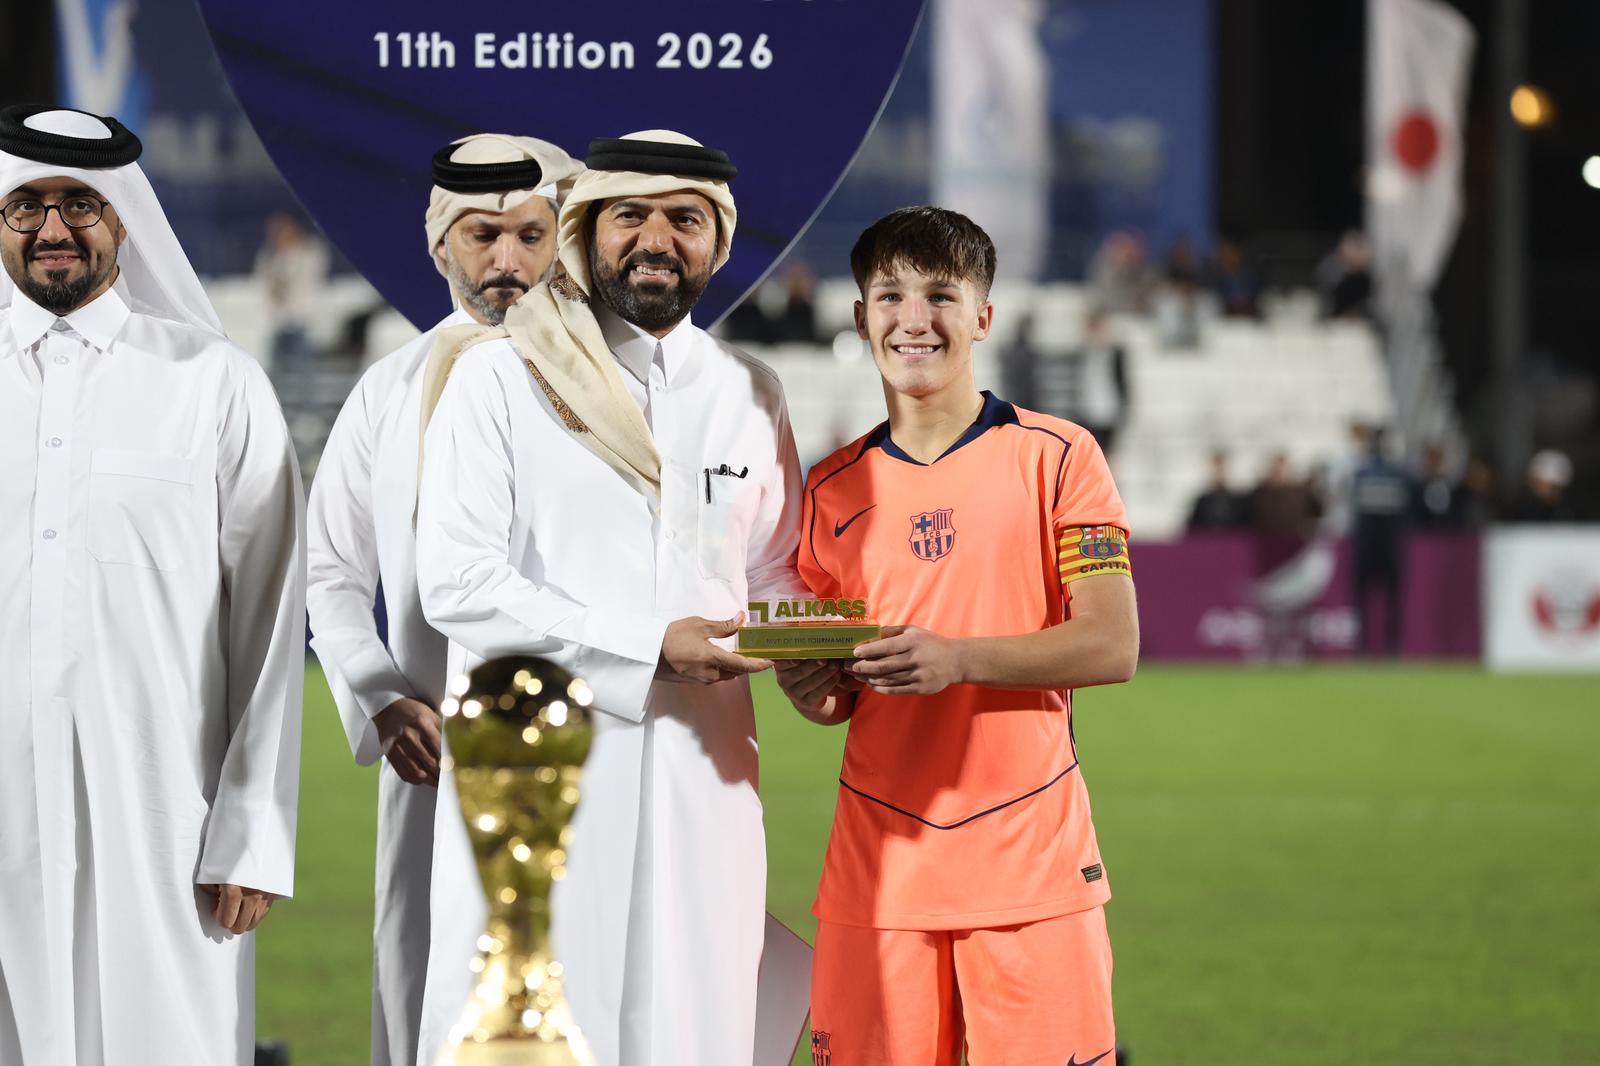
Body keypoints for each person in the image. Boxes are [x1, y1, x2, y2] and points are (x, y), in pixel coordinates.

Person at [414, 130, 807, 1065]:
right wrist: (649, 647)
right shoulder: (502, 376)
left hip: (704, 778)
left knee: (694, 1027)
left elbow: (772, 573)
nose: (655, 240)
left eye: (685, 219)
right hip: (540, 776)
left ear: (719, 242)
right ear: (586, 231)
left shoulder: (750, 391)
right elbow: (458, 582)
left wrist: (816, 659)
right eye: (629, 215)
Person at [777, 206, 1138, 1065]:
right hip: (879, 875)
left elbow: (1111, 644)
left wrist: (957, 658)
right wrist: (812, 688)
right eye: (890, 295)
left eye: (941, 295)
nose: (915, 318)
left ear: (982, 316)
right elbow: (837, 694)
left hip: (1031, 868)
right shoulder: (827, 490)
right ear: (860, 316)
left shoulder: (1059, 455)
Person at [0, 104, 303, 1064]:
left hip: (164, 819)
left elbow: (270, 623)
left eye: (81, 204)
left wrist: (252, 829)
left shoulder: (213, 382)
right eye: (27, 205)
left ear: (123, 217)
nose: (53, 228)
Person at [306, 133, 582, 1066]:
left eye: (531, 236)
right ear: (439, 247)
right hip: (434, 752)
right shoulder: (387, 391)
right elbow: (330, 571)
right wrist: (382, 698)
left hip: (591, 743)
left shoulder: (608, 384)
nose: (508, 259)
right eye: (482, 235)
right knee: (427, 983)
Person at [1349, 428, 1413, 656]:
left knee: (1381, 596)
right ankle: (1379, 643)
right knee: (1370, 596)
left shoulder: (1371, 475)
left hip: (1377, 544)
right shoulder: (1389, 475)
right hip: (1379, 544)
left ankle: (1381, 642)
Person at [1187, 448, 1248, 530]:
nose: (1218, 472)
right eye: (1215, 468)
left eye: (1221, 468)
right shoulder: (1202, 501)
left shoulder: (1239, 501)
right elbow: (1193, 529)